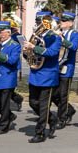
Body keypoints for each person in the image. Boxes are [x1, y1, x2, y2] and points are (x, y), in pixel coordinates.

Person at [23, 10, 62, 143]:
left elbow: (52, 52)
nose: (39, 25)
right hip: (35, 74)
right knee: (33, 103)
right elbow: (29, 56)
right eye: (38, 22)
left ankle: (40, 133)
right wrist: (26, 51)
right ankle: (52, 119)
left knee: (44, 106)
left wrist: (33, 47)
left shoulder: (55, 37)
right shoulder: (36, 37)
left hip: (48, 75)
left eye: (41, 22)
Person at [0, 20, 22, 134]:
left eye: (2, 32)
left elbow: (12, 60)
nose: (0, 35)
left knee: (4, 103)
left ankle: (4, 125)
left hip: (7, 77)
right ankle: (9, 116)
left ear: (8, 33)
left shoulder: (14, 45)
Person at [53, 12, 78, 129]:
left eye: (64, 21)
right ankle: (69, 109)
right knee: (54, 94)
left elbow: (74, 47)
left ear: (70, 23)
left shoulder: (75, 34)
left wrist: (61, 38)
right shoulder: (57, 32)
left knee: (63, 95)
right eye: (61, 20)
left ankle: (62, 118)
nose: (61, 22)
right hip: (55, 67)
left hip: (67, 68)